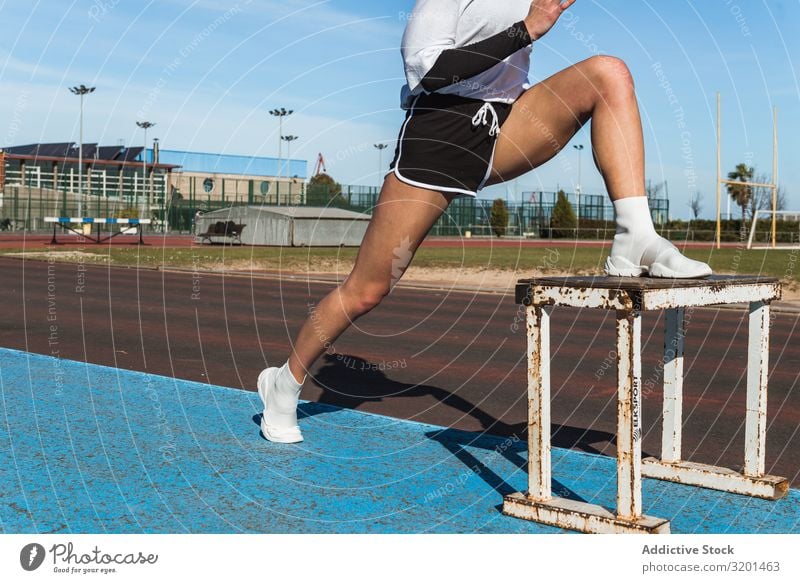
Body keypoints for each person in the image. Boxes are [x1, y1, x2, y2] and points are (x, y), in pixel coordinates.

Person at [257, 0, 712, 443]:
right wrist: (526, 30)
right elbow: (426, 70)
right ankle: (286, 382)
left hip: (504, 125)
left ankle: (636, 235)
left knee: (609, 72)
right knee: (367, 290)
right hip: (439, 134)